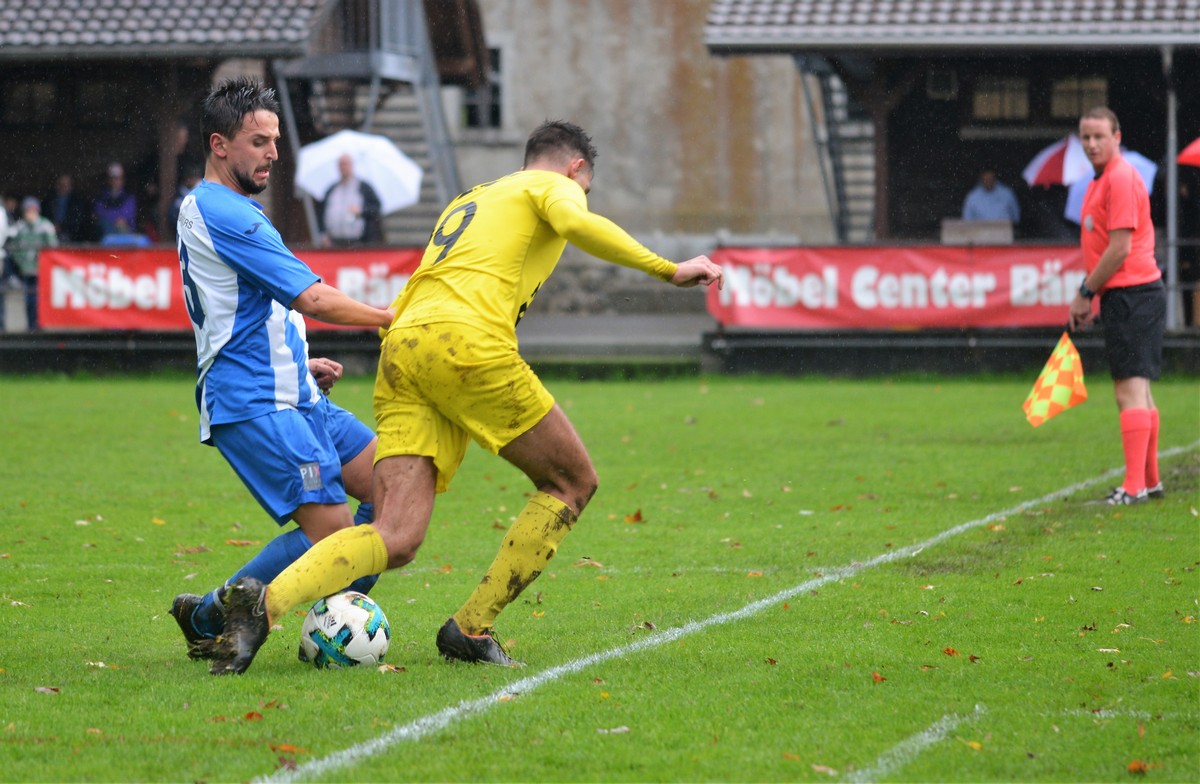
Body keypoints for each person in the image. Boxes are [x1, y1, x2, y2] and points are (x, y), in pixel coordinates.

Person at [210, 119, 724, 676]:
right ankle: (472, 627)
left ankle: (261, 606)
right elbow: (577, 222)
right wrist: (668, 269)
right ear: (575, 167)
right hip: (465, 344)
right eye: (584, 186)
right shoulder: (551, 186)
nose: (580, 196)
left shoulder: (474, 197)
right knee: (572, 481)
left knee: (396, 536)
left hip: (405, 345)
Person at [167, 76, 395, 662]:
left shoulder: (220, 207)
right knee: (336, 538)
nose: (273, 152)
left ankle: (221, 614)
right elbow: (311, 297)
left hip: (292, 389)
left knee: (392, 489)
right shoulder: (224, 211)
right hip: (255, 401)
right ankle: (224, 618)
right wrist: (388, 318)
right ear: (219, 145)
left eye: (274, 140)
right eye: (258, 141)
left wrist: (295, 358)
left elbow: (247, 305)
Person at [1067, 106, 1166, 506]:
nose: (1091, 144)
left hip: (1132, 294)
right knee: (1140, 391)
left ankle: (1133, 486)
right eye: (1085, 137)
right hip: (1131, 294)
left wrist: (1085, 292)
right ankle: (1149, 482)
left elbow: (1120, 247)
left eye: (1099, 136)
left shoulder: (1120, 177)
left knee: (1128, 391)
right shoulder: (1102, 179)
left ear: (1117, 137)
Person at [4, 196, 57, 330]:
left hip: (42, 269)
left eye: (32, 210)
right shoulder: (20, 226)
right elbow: (13, 248)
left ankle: (40, 324)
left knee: (42, 297)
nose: (30, 213)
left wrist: (42, 260)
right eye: (27, 210)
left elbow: (52, 246)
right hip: (26, 269)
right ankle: (31, 326)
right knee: (29, 297)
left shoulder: (45, 226)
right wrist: (22, 263)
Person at [317, 154, 383, 247]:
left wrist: (362, 211)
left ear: (352, 165)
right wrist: (323, 234)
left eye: (346, 164)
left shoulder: (364, 188)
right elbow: (321, 213)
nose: (344, 167)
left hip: (358, 243)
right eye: (341, 164)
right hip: (334, 242)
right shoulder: (331, 189)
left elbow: (376, 208)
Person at [93, 162, 139, 241]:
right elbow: (99, 213)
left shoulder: (129, 197)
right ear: (109, 180)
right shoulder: (102, 196)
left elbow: (127, 215)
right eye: (113, 178)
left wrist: (113, 218)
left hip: (125, 232)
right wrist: (114, 219)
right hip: (107, 232)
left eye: (119, 178)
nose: (116, 181)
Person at [42, 174, 93, 243]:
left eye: (66, 184)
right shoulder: (49, 200)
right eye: (61, 184)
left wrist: (62, 227)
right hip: (50, 231)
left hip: (71, 235)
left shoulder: (77, 201)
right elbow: (44, 216)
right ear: (56, 185)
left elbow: (78, 220)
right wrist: (51, 226)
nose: (63, 186)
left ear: (71, 186)